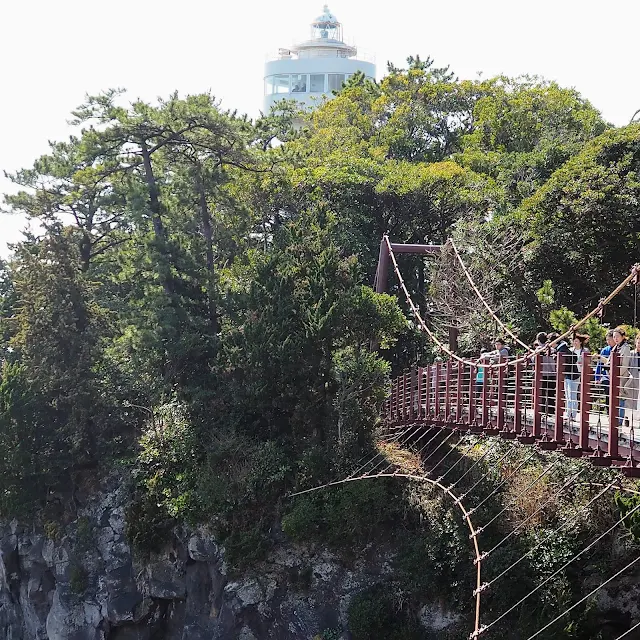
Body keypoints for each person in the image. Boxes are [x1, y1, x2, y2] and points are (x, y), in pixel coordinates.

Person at [611, 326, 633, 424]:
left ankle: (620, 420)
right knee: (615, 398)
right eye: (614, 336)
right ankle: (615, 419)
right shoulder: (615, 348)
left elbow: (625, 365)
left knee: (621, 399)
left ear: (622, 337)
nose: (615, 338)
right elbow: (609, 362)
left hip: (621, 377)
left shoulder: (626, 348)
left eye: (617, 336)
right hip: (614, 377)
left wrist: (616, 375)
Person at [595, 330, 615, 410]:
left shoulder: (619, 348)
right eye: (607, 340)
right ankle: (608, 413)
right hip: (606, 377)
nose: (608, 342)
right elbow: (599, 365)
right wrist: (597, 377)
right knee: (608, 395)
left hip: (616, 376)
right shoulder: (605, 350)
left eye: (609, 340)